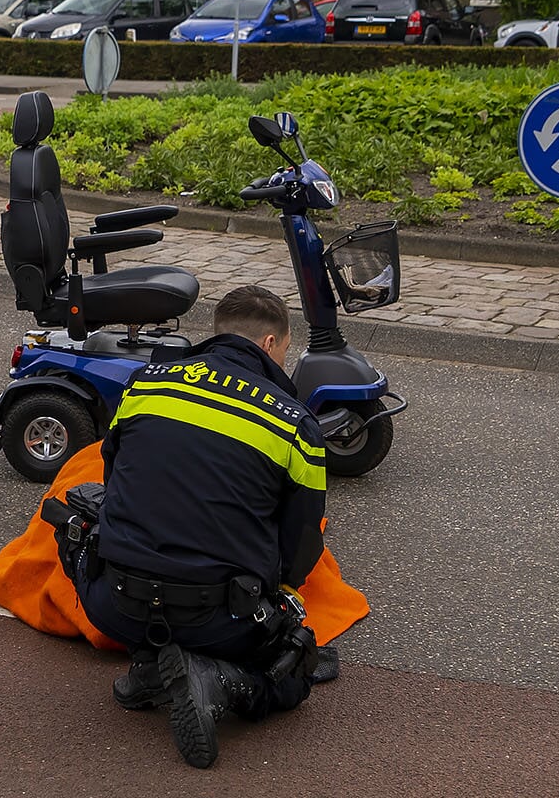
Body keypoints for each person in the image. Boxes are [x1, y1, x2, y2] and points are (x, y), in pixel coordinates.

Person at [58, 285, 329, 769]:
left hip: (116, 602)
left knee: (75, 527)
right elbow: (302, 541)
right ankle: (218, 679)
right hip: (219, 619)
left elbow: (114, 473)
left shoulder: (147, 382)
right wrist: (277, 597)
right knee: (295, 669)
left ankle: (149, 665)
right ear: (270, 345)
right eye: (286, 350)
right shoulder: (294, 421)